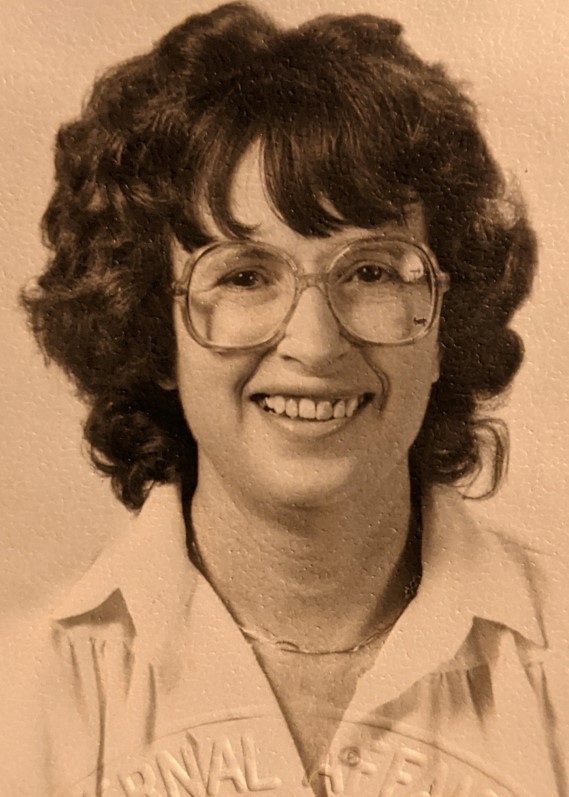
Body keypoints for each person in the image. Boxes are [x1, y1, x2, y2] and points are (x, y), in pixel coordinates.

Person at [11, 2, 568, 795]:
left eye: (372, 271)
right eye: (243, 276)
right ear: (153, 328)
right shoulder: (25, 691)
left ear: (447, 322)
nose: (315, 343)